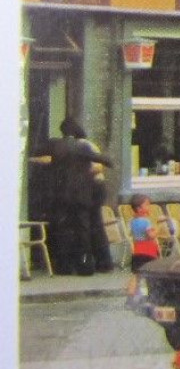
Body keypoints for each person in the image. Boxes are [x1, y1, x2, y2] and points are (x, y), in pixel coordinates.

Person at [34, 118, 115, 276]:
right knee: (82, 231)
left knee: (62, 230)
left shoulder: (55, 144)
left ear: (62, 131)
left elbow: (36, 152)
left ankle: (63, 267)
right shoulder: (82, 146)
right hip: (81, 196)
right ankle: (85, 267)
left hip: (61, 196)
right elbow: (105, 161)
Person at [128, 194, 162, 272]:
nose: (149, 207)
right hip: (148, 250)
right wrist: (159, 229)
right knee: (152, 271)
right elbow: (151, 236)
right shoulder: (146, 221)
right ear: (139, 209)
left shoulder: (132, 221)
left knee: (138, 273)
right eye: (146, 205)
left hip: (137, 249)